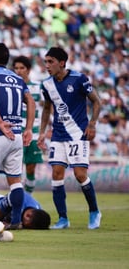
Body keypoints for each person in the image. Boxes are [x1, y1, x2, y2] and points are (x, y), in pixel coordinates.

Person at [37, 47, 102, 230]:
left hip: (77, 135)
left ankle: (95, 212)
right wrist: (42, 132)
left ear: (62, 63)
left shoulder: (79, 79)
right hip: (58, 135)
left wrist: (92, 124)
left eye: (51, 62)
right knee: (56, 174)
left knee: (80, 174)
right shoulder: (47, 84)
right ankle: (63, 219)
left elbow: (96, 101)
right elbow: (47, 109)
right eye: (46, 62)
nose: (47, 66)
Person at [0, 43, 36, 230]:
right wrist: (28, 129)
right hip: (16, 135)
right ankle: (16, 221)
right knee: (15, 181)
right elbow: (31, 102)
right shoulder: (18, 79)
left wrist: (0, 123)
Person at [13, 55, 44, 193]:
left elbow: (47, 109)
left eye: (22, 68)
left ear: (28, 70)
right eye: (16, 68)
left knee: (30, 168)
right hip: (16, 132)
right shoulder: (12, 87)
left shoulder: (38, 87)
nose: (18, 71)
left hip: (34, 133)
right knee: (15, 167)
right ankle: (18, 197)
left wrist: (46, 130)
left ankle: (29, 196)